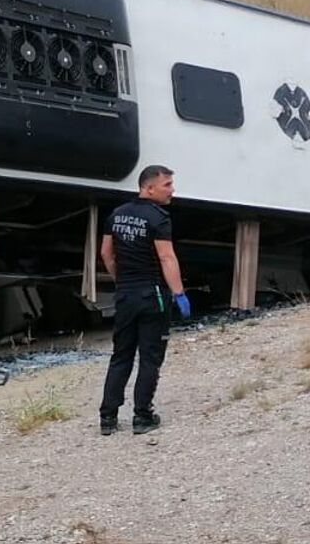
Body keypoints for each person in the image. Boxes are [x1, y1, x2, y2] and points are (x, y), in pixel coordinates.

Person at [99, 165, 190, 436]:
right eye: (167, 185)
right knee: (150, 357)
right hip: (153, 296)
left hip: (125, 295)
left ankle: (108, 417)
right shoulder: (159, 218)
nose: (172, 190)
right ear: (148, 187)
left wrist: (121, 280)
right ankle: (143, 416)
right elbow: (166, 257)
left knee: (121, 355)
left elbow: (106, 253)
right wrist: (179, 293)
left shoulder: (116, 215)